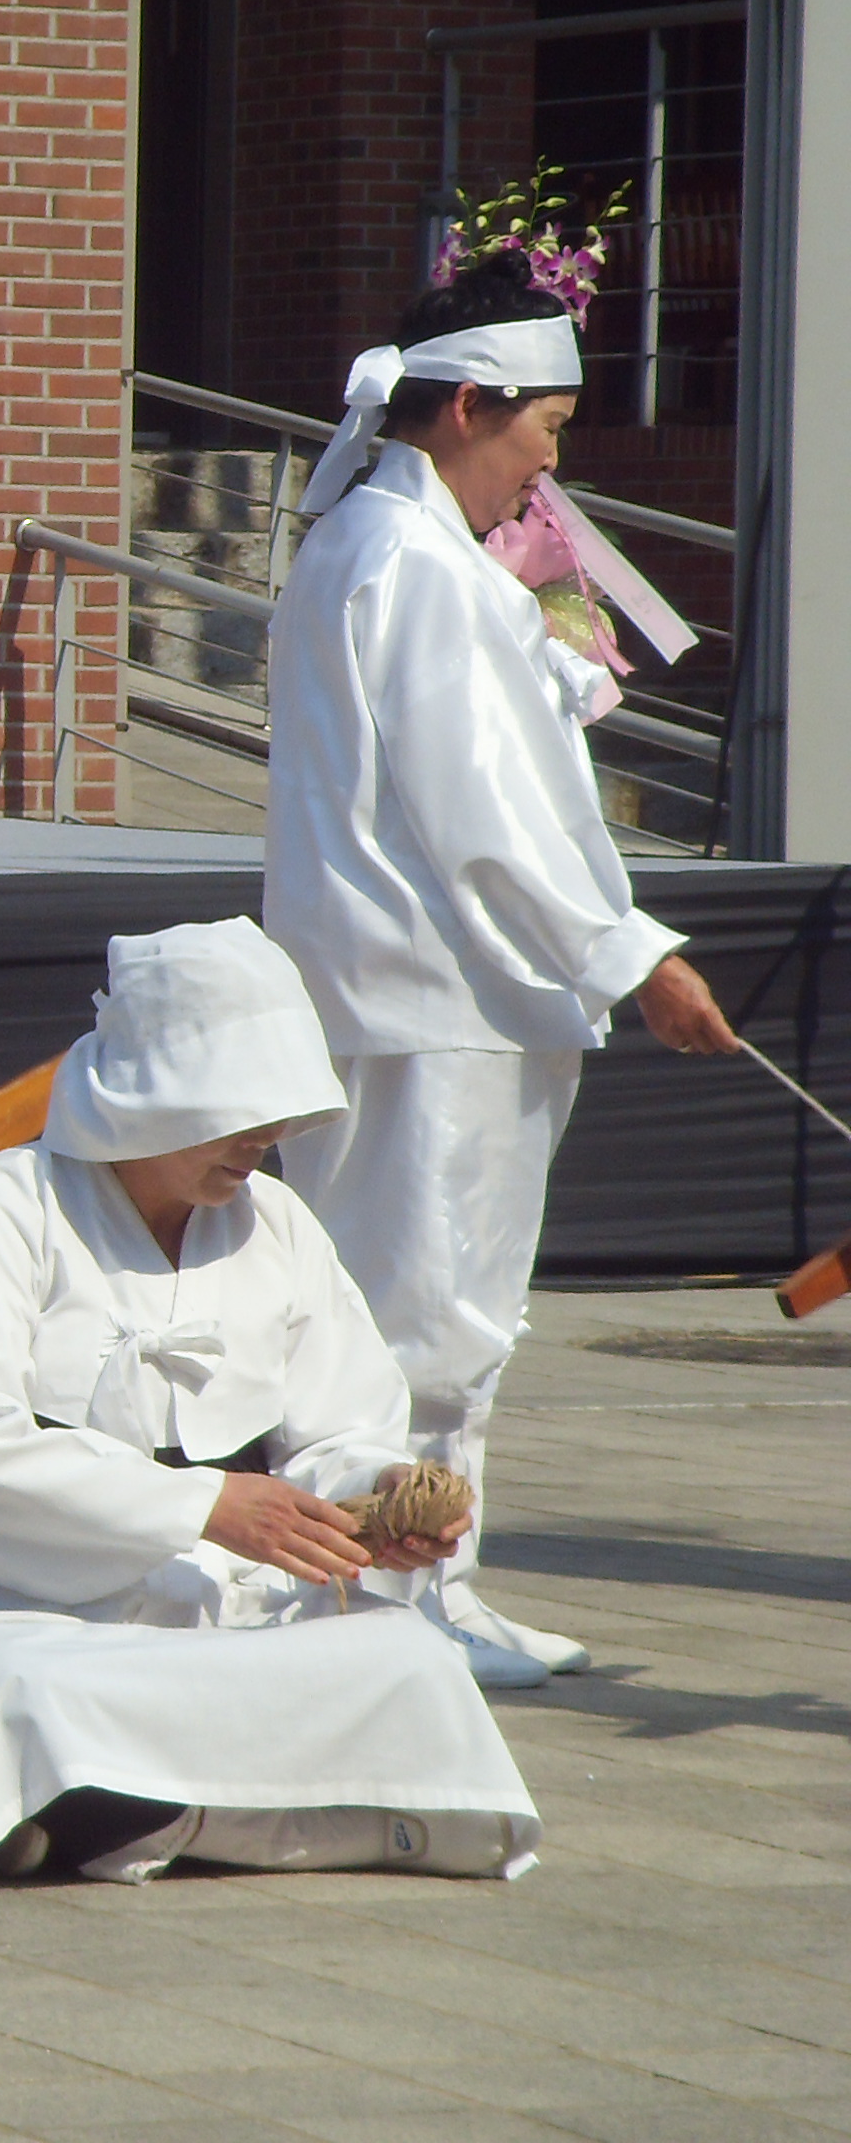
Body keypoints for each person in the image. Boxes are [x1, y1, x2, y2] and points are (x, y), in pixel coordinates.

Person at [0, 919, 543, 1896]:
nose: (267, 1137)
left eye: (279, 1110)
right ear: (151, 1088)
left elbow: (340, 1429)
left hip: (216, 1611)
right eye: (239, 1106)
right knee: (10, 1696)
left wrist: (375, 1500)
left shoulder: (278, 1226)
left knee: (411, 1658)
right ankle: (305, 1820)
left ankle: (132, 1819)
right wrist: (205, 1507)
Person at [266, 255, 737, 1691]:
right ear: (470, 405)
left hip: (401, 989)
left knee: (407, 1307)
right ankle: (397, 1596)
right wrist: (631, 953)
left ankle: (410, 1581)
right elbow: (482, 811)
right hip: (436, 992)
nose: (546, 462)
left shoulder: (371, 550)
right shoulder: (407, 563)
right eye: (543, 427)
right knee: (424, 1314)